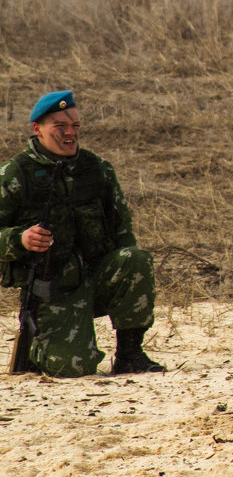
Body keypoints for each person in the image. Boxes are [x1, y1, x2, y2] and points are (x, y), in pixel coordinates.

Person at [0, 90, 163, 377]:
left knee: (134, 259)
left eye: (75, 126)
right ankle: (42, 349)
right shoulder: (15, 175)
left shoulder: (97, 169)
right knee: (71, 368)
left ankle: (130, 354)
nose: (69, 133)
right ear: (37, 129)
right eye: (60, 127)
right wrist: (20, 239)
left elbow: (122, 230)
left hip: (98, 277)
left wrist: (127, 279)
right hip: (53, 291)